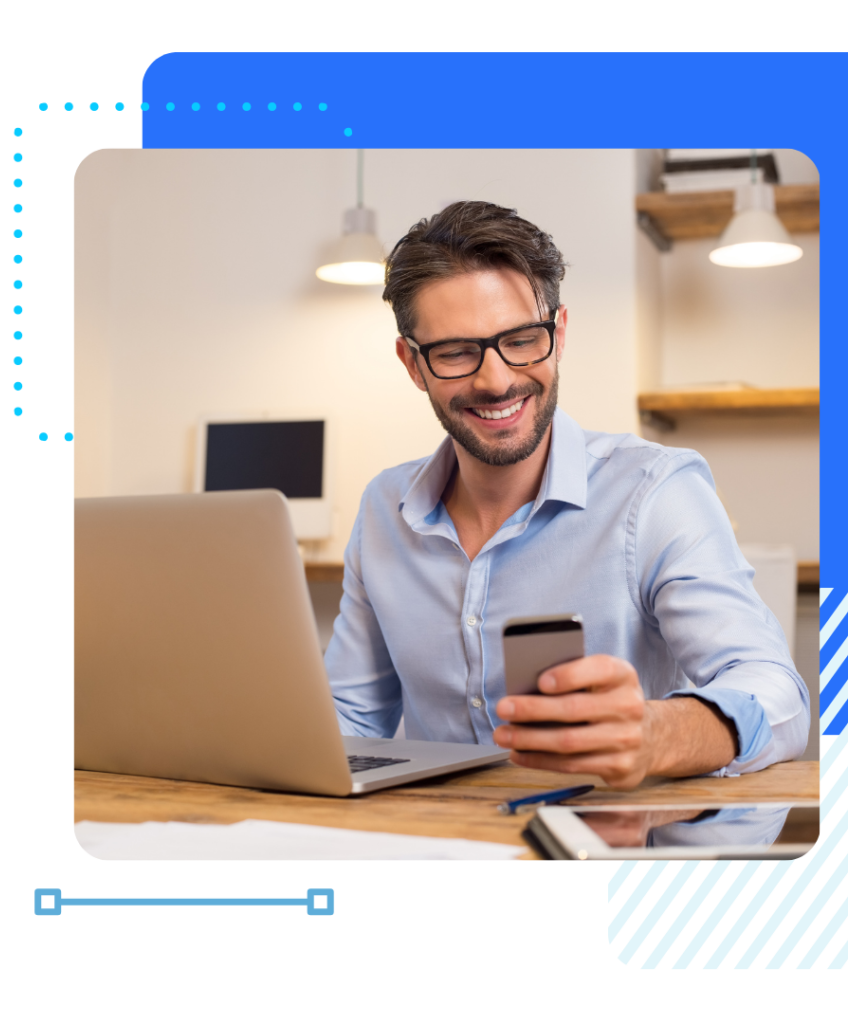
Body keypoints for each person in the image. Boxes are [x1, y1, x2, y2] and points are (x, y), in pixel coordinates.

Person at [325, 201, 810, 789]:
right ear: (413, 364)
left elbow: (774, 693)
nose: (497, 379)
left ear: (558, 334)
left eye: (522, 340)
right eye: (455, 352)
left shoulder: (655, 492)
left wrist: (659, 733)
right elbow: (350, 723)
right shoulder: (384, 509)